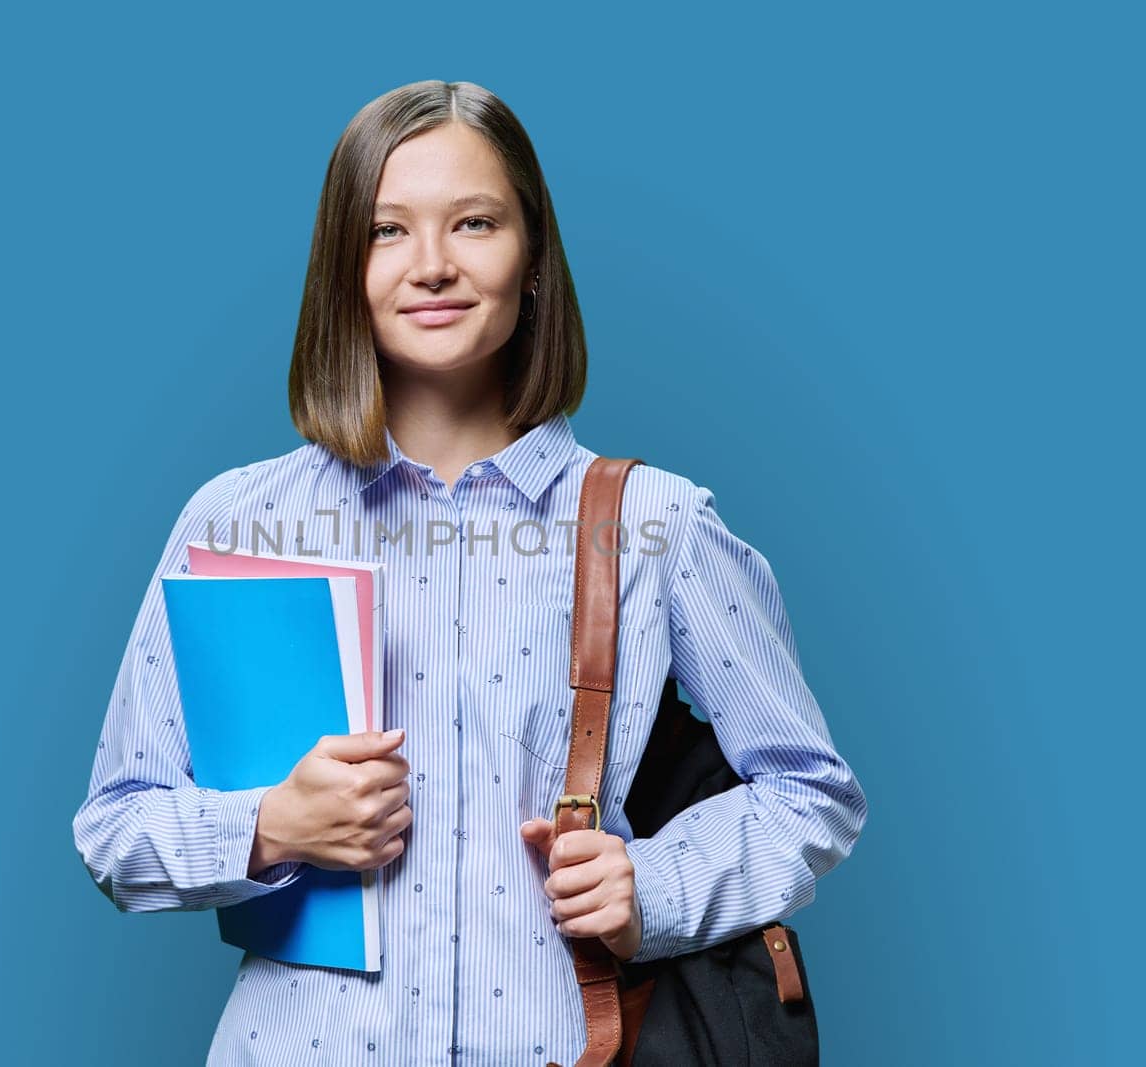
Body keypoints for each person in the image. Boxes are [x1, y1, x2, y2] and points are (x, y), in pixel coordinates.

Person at [71, 79, 867, 1065]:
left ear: (532, 258)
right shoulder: (241, 518)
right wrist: (272, 822)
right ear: (341, 267)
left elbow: (809, 793)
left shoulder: (657, 526)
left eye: (474, 223)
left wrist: (651, 888)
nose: (433, 265)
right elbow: (115, 826)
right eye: (387, 230)